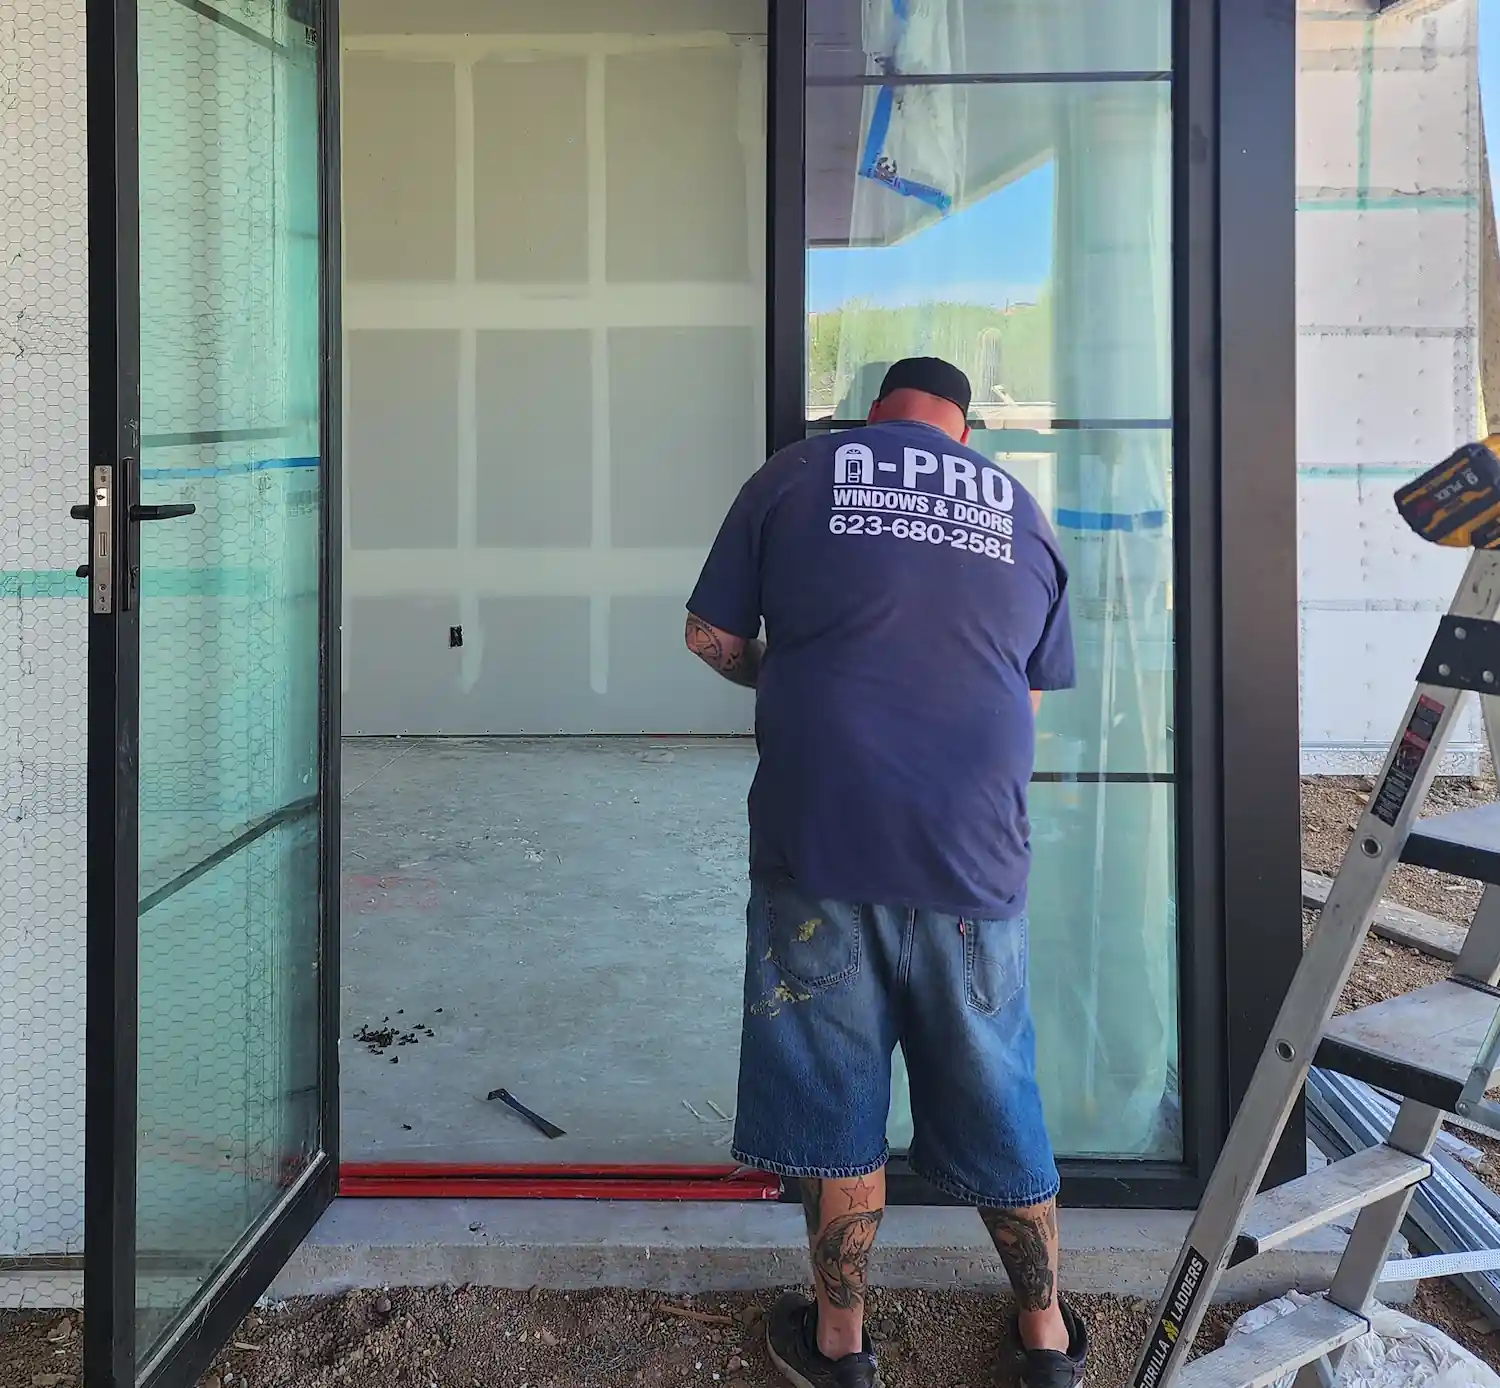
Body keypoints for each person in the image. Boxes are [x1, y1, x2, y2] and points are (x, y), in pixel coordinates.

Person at [684, 358, 1085, 1388]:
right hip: (972, 856)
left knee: (834, 1092)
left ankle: (839, 1345)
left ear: (876, 414)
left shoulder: (796, 474)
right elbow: (1026, 706)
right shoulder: (1022, 513)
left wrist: (789, 670)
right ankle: (1043, 1337)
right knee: (998, 1090)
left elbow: (711, 635)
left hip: (822, 839)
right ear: (963, 428)